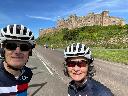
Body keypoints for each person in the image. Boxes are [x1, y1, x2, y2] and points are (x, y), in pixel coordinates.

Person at [0, 24, 35, 96]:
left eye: (24, 47)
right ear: (3, 50)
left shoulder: (28, 73)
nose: (18, 52)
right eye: (11, 46)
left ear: (29, 52)